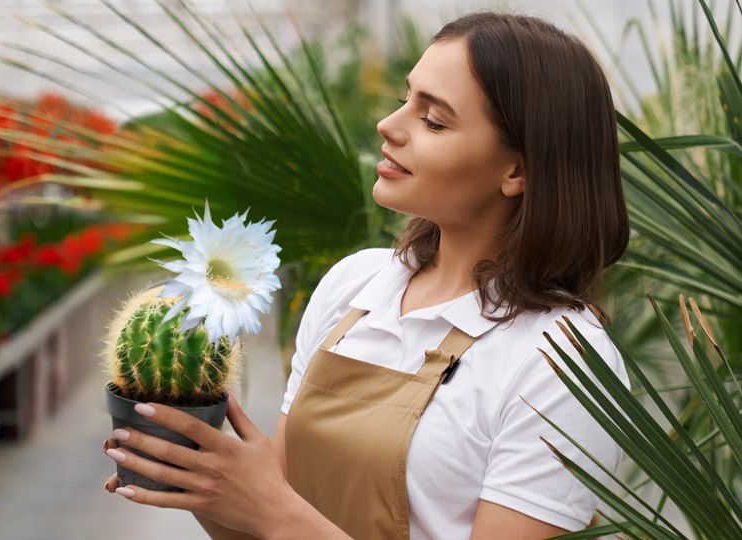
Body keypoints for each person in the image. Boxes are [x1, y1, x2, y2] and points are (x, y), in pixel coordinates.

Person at [102, 10, 631, 539]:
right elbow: (268, 529)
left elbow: (280, 519)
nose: (388, 126)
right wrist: (209, 483)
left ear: (517, 170)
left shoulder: (562, 361)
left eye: (434, 120)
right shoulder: (355, 286)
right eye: (406, 99)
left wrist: (269, 508)